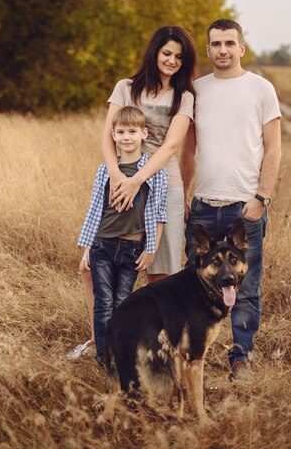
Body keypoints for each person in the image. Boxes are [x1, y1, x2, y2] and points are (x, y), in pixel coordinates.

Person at [69, 25, 196, 360]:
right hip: (119, 178)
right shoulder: (126, 87)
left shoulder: (184, 98)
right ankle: (101, 340)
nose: (171, 61)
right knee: (93, 264)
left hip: (160, 183)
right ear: (154, 51)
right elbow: (107, 136)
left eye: (179, 57)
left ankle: (155, 347)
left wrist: (138, 179)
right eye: (166, 53)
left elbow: (170, 147)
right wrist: (116, 175)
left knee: (160, 270)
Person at [180, 18, 282, 381]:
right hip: (204, 207)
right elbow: (188, 151)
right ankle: (194, 353)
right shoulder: (196, 91)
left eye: (229, 43)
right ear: (207, 50)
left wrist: (261, 198)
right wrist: (184, 198)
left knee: (246, 287)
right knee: (196, 283)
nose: (223, 50)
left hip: (245, 208)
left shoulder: (260, 89)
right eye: (216, 44)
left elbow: (273, 149)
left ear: (241, 48)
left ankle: (241, 358)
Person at [76, 106, 168, 363]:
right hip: (102, 246)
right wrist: (87, 249)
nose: (126, 137)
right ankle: (105, 358)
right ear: (113, 136)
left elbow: (159, 213)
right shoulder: (105, 169)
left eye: (132, 131)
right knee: (103, 301)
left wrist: (151, 249)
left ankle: (121, 354)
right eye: (121, 132)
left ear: (144, 133)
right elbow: (95, 209)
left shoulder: (155, 172)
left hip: (132, 248)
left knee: (122, 301)